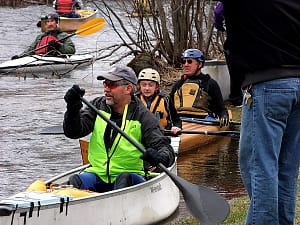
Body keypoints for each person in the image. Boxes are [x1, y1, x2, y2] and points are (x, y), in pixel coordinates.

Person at [221, 0, 300, 224]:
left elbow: (232, 42)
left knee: (260, 168)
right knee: (286, 169)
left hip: (267, 86)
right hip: (298, 85)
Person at [63, 65, 175, 192]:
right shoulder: (98, 106)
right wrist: (72, 108)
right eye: (105, 84)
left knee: (124, 179)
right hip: (98, 173)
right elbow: (73, 132)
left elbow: (166, 150)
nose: (106, 89)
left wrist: (159, 157)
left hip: (131, 175)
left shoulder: (143, 116)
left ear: (128, 88)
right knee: (75, 181)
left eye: (111, 85)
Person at [169, 48, 229, 128]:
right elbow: (168, 107)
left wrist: (223, 115)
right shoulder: (178, 85)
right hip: (179, 120)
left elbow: (220, 108)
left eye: (190, 61)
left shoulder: (210, 83)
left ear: (199, 64)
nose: (185, 64)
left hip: (203, 121)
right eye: (184, 61)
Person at [214, 1, 243, 107]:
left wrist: (220, 26)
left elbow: (218, 12)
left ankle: (236, 98)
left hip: (234, 39)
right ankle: (238, 97)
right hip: (251, 39)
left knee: (235, 71)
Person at [136, 68, 182, 134]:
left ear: (156, 87)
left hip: (162, 134)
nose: (147, 88)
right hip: (140, 134)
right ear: (139, 86)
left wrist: (176, 127)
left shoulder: (165, 99)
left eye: (151, 85)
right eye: (143, 85)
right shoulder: (134, 100)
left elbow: (176, 119)